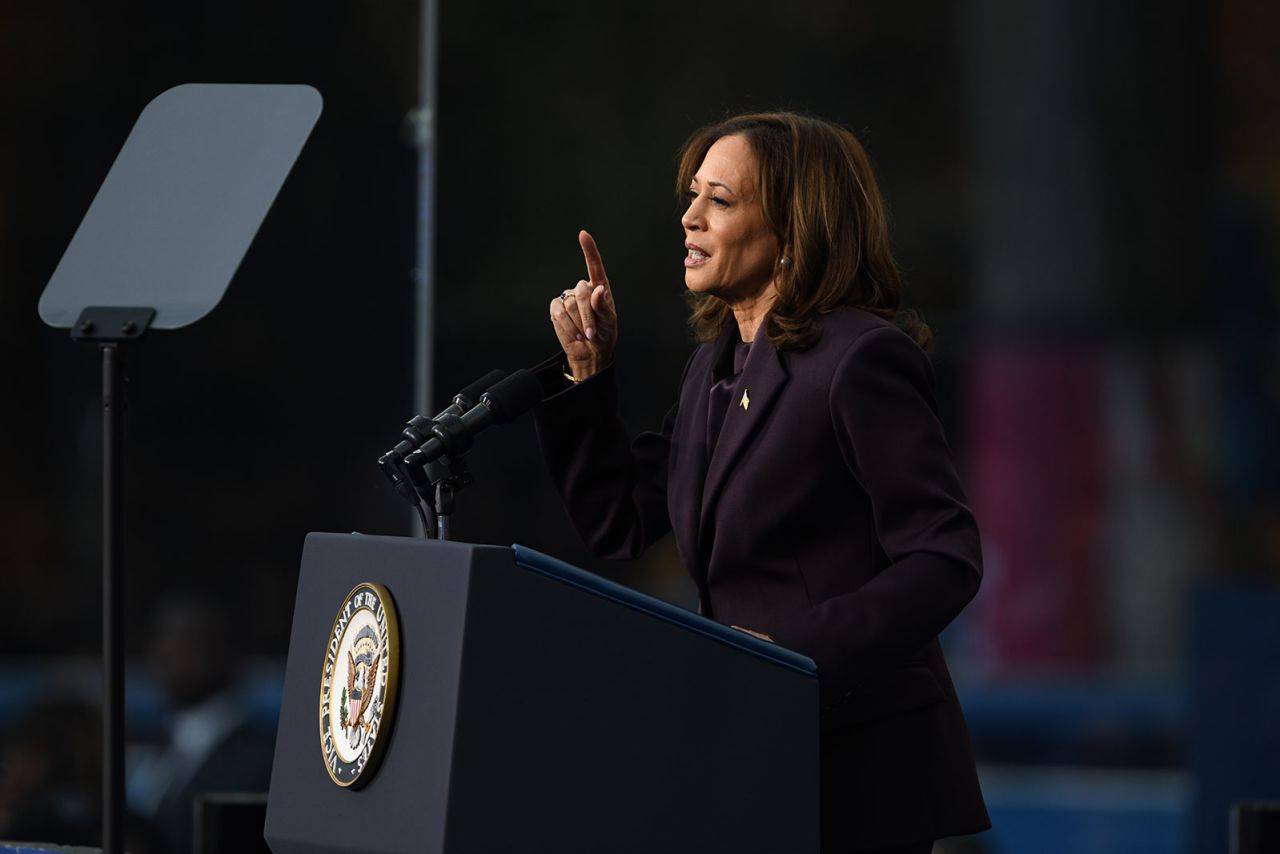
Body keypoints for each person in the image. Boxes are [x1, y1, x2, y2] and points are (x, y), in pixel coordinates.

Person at [532, 112, 990, 853]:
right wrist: (590, 378)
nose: (688, 217)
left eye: (719, 199)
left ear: (792, 227)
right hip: (746, 757)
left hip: (853, 769)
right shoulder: (714, 367)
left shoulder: (860, 359)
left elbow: (946, 556)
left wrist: (791, 655)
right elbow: (617, 520)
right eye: (691, 196)